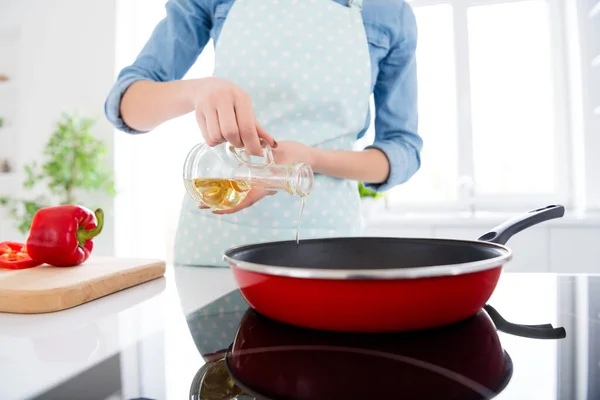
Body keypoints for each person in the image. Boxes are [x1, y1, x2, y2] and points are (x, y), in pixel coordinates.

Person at [105, 0, 423, 267]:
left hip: (327, 245)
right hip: (216, 246)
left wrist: (312, 159)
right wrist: (198, 91)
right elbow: (126, 106)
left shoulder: (388, 12)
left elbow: (402, 149)